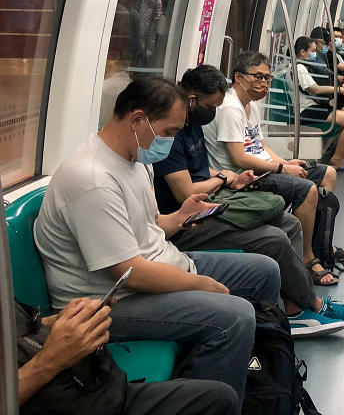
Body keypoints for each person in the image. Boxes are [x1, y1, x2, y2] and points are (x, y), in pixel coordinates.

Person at [34, 77, 282, 406]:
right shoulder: (92, 179)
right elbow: (128, 271)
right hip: (107, 304)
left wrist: (179, 217)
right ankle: (214, 404)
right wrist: (200, 284)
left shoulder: (136, 159)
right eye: (168, 132)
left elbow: (149, 227)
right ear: (138, 120)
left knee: (265, 270)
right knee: (234, 317)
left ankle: (255, 379)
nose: (172, 140)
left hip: (158, 265)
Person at [153, 65, 344, 334]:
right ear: (192, 100)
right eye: (209, 105)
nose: (212, 112)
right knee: (273, 237)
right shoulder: (170, 135)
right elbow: (186, 193)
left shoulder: (191, 127)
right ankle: (313, 303)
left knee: (288, 222)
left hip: (212, 196)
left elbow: (200, 170)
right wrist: (224, 179)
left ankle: (294, 308)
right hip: (188, 220)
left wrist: (226, 178)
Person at [203, 50, 344, 285]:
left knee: (327, 173)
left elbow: (259, 145)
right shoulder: (230, 107)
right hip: (243, 177)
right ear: (239, 77)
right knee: (307, 189)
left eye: (267, 78)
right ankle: (307, 258)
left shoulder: (251, 104)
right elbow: (238, 158)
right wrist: (281, 169)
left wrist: (284, 162)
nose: (264, 83)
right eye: (257, 77)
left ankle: (322, 245)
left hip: (264, 168)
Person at [15, 297, 238, 415]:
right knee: (233, 321)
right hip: (63, 398)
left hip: (97, 389)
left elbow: (21, 328)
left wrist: (58, 320)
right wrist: (49, 362)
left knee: (220, 397)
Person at [293, 36, 344, 171]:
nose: (314, 53)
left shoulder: (307, 65)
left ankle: (343, 155)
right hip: (307, 109)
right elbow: (316, 89)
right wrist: (339, 89)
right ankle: (337, 158)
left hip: (316, 104)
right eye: (312, 51)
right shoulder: (299, 67)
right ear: (302, 52)